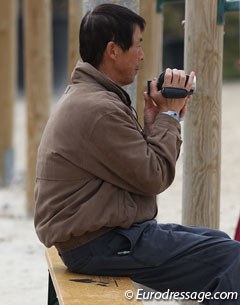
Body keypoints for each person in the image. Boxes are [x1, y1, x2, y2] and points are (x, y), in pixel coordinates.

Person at [34, 3, 240, 304]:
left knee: (220, 241)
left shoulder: (89, 96)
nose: (142, 55)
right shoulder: (100, 109)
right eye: (138, 45)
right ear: (113, 51)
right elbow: (153, 177)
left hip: (99, 238)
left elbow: (130, 167)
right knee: (232, 258)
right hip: (101, 244)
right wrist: (169, 118)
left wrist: (154, 124)